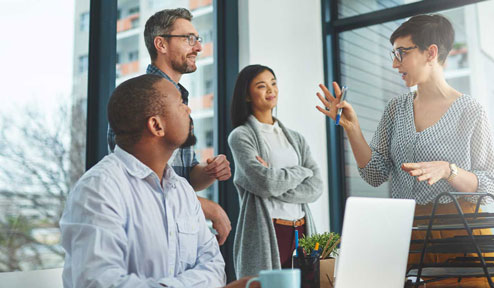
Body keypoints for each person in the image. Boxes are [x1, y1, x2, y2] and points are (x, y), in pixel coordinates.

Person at [316, 14, 494, 287]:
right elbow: (375, 174)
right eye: (393, 54)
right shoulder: (395, 109)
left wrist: (448, 170)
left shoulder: (471, 111)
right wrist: (352, 128)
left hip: (461, 237)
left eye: (401, 53)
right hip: (408, 236)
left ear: (431, 52)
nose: (394, 63)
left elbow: (490, 184)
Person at [60, 74, 256, 288]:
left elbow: (215, 266)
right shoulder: (99, 189)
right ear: (156, 125)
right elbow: (98, 283)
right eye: (181, 103)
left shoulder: (181, 189)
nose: (188, 110)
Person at [107, 8, 232, 246]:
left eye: (198, 39)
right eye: (189, 39)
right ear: (161, 44)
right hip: (148, 234)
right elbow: (140, 182)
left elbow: (185, 177)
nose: (198, 47)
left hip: (178, 229)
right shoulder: (138, 98)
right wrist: (206, 207)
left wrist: (209, 172)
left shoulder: (181, 102)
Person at [228, 65, 323, 278]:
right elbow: (266, 184)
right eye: (262, 86)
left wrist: (276, 177)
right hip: (269, 230)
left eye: (273, 83)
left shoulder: (296, 138)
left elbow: (316, 188)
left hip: (302, 229)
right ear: (246, 95)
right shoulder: (241, 136)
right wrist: (301, 171)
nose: (271, 90)